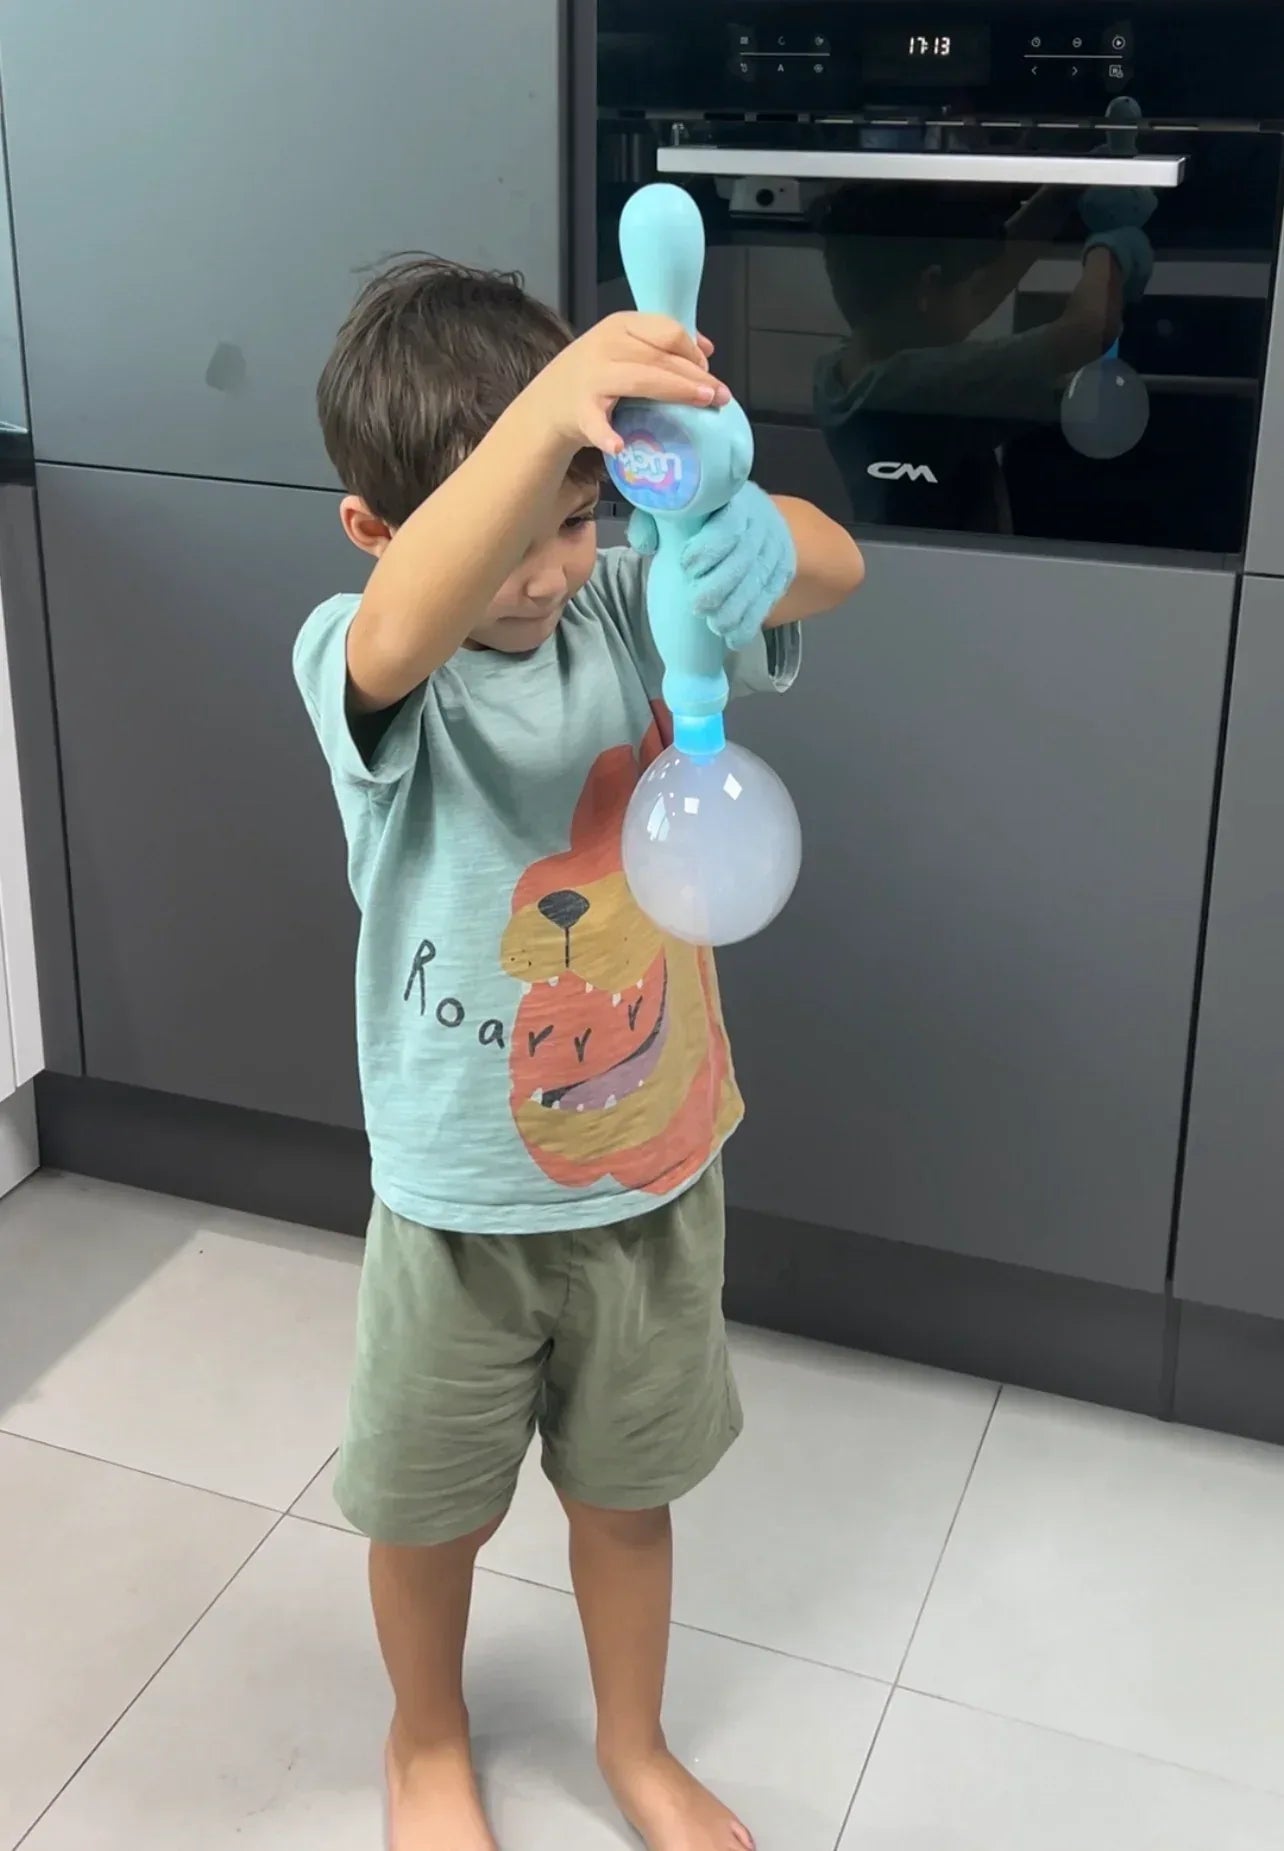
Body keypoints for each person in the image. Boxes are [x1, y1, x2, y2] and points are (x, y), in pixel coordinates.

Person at [293, 254, 864, 1851]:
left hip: (653, 1169)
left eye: (575, 518)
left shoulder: (629, 597)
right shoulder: (361, 645)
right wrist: (548, 416)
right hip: (457, 1205)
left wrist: (739, 530)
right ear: (378, 526)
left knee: (628, 1495)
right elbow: (412, 620)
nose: (550, 570)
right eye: (518, 528)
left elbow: (838, 569)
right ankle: (425, 1740)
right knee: (428, 1512)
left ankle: (634, 1744)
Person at [814, 177, 1155, 530]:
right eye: (970, 287)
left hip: (902, 567)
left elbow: (977, 291)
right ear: (928, 288)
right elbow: (1086, 333)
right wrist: (1110, 251)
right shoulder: (915, 388)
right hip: (953, 576)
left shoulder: (840, 370)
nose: (981, 293)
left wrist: (1061, 193)